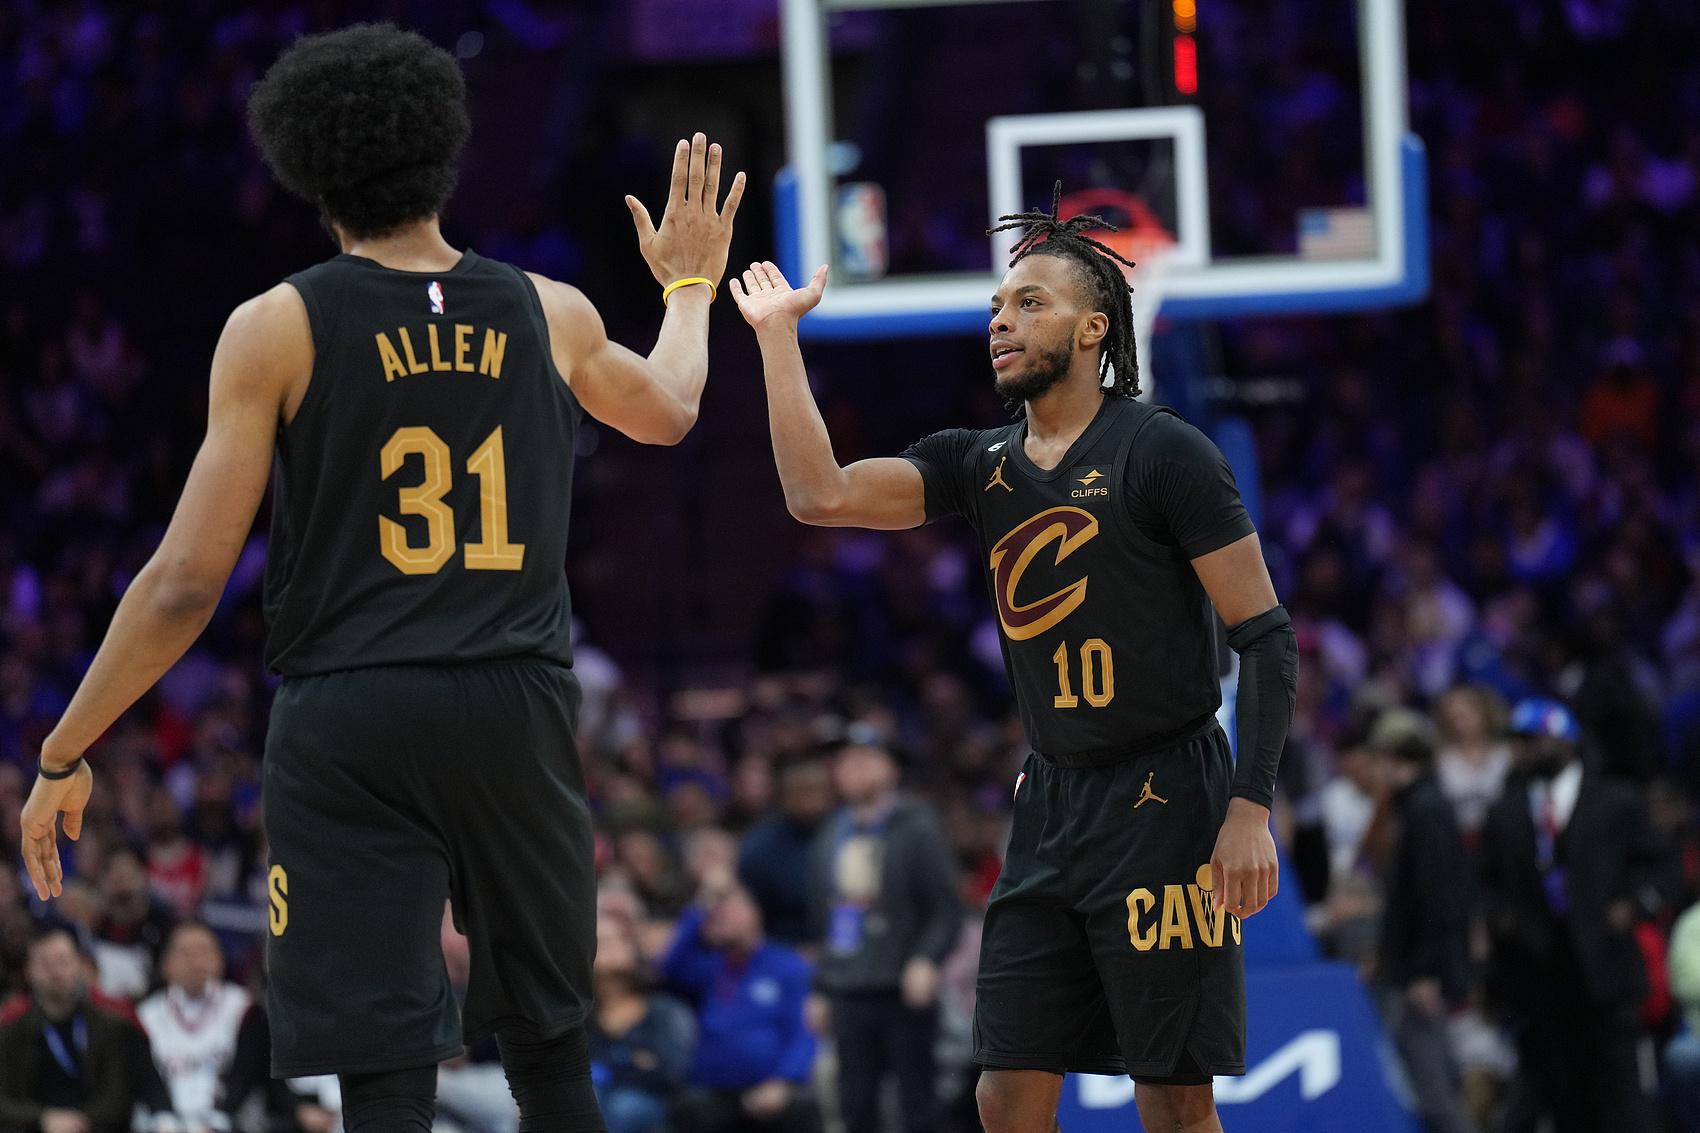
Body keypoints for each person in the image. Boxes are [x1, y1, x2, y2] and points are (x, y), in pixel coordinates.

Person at [16, 22, 745, 1133]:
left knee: (384, 1062)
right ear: (443, 155)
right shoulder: (551, 309)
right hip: (513, 699)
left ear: (309, 174)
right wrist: (689, 287)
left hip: (352, 710)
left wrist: (66, 748)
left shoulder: (276, 326)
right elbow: (673, 407)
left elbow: (182, 584)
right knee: (551, 1042)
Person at [732, 185, 1297, 1133]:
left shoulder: (1166, 452)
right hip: (1050, 800)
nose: (1000, 319)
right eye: (997, 305)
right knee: (1005, 1090)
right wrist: (778, 338)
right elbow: (818, 495)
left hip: (1169, 794)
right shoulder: (978, 461)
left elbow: (1267, 636)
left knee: (1173, 1097)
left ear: (1092, 329)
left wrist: (1249, 809)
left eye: (1029, 302)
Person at [1480, 698, 1666, 1133]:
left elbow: (1662, 866)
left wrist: (1637, 904)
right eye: (1516, 742)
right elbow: (1487, 882)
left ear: (1565, 742)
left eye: (1531, 741)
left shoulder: (1616, 800)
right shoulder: (1506, 811)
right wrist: (1502, 919)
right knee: (1563, 1096)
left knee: (1623, 1094)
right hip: (1540, 974)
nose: (1520, 751)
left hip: (1607, 968)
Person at [806, 740, 962, 1133]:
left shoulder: (917, 826)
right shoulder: (832, 831)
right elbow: (824, 920)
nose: (854, 769)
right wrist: (821, 986)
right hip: (848, 987)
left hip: (901, 987)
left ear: (891, 769)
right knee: (854, 1104)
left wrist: (926, 958)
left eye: (866, 759)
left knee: (917, 1105)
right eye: (845, 762)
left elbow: (947, 908)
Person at [661, 877, 819, 1133]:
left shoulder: (788, 965)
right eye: (716, 913)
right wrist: (698, 909)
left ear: (755, 913)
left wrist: (784, 1080)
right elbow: (668, 968)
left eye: (731, 909)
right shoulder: (710, 966)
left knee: (801, 1106)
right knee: (689, 1106)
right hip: (711, 1089)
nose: (721, 916)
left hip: (770, 1088)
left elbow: (803, 1030)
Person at [0, 927, 138, 1133]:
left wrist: (81, 1121)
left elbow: (120, 1094)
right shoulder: (11, 1034)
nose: (55, 972)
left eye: (62, 961)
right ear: (28, 972)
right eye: (45, 964)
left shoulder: (112, 1027)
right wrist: (42, 1119)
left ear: (79, 965)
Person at [136, 923, 251, 1133]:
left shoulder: (242, 1007)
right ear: (166, 964)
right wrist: (165, 1121)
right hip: (163, 1124)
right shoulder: (146, 1014)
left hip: (226, 1122)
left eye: (204, 952)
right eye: (185, 953)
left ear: (220, 960)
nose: (196, 962)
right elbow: (145, 1080)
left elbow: (246, 1077)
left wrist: (216, 1122)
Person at [587, 916, 695, 1133]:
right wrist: (632, 1060)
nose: (612, 947)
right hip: (596, 1096)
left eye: (619, 939)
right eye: (603, 942)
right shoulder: (581, 1015)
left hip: (651, 1102)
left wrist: (610, 1067)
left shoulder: (664, 1010)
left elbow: (669, 1071)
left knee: (624, 1107)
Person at [739, 753, 836, 945]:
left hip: (842, 942)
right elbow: (750, 912)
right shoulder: (760, 846)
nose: (810, 798)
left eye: (816, 789)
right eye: (802, 790)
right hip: (781, 945)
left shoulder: (847, 832)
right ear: (784, 796)